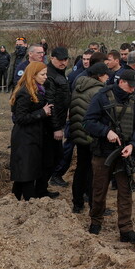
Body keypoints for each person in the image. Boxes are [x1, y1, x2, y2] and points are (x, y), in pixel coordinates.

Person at [84, 69, 135, 243]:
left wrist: (132, 145)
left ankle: (126, 229)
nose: (133, 89)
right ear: (121, 82)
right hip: (103, 151)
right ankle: (95, 222)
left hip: (124, 153)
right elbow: (88, 122)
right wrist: (106, 132)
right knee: (99, 189)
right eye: (130, 86)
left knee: (126, 191)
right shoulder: (102, 96)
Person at [9, 61, 54, 201]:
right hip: (24, 138)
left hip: (33, 136)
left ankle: (14, 200)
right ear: (33, 75)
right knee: (27, 172)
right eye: (42, 74)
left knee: (26, 171)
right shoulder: (25, 92)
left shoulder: (37, 89)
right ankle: (29, 201)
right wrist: (42, 112)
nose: (45, 77)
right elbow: (20, 118)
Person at [68, 61, 109, 214]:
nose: (108, 78)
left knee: (81, 168)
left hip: (78, 134)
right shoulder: (98, 91)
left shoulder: (79, 84)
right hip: (92, 137)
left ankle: (77, 203)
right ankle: (95, 206)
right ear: (99, 76)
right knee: (94, 172)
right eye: (106, 75)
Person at [46, 47, 73, 188]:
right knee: (53, 155)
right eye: (60, 60)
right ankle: (48, 180)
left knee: (57, 153)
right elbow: (51, 103)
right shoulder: (50, 75)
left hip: (60, 119)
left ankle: (50, 179)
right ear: (52, 59)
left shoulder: (60, 73)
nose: (63, 62)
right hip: (51, 124)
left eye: (65, 59)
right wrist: (56, 127)